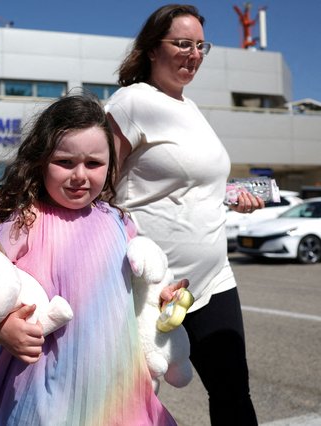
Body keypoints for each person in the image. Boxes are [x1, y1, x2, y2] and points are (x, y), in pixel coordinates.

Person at [0, 94, 183, 425]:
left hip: (115, 386)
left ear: (110, 165)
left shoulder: (118, 221)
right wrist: (2, 328)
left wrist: (162, 296)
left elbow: (136, 289)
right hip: (41, 390)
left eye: (94, 164)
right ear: (40, 161)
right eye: (65, 162)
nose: (80, 175)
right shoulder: (23, 222)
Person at [104, 4, 263, 425]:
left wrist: (230, 194)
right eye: (182, 43)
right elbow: (102, 190)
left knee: (232, 392)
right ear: (152, 49)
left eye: (200, 45)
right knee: (131, 398)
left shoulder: (191, 109)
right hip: (153, 288)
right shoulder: (131, 102)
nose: (194, 53)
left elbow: (189, 182)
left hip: (213, 281)